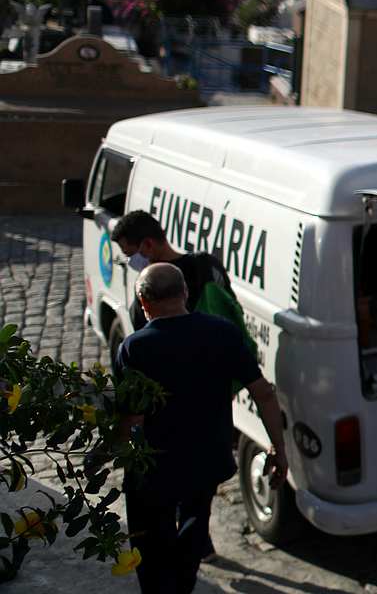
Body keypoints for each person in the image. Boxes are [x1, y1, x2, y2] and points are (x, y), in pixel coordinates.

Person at [113, 263, 287, 594]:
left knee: (151, 539)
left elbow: (131, 418)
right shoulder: (223, 332)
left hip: (154, 464)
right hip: (207, 455)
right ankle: (183, 583)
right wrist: (278, 448)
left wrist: (111, 451)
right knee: (195, 519)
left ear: (143, 301)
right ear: (185, 293)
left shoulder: (135, 347)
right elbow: (264, 392)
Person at [111, 210, 253, 350]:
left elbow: (143, 338)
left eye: (129, 254)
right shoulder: (207, 265)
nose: (129, 261)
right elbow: (231, 307)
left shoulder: (147, 285)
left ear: (148, 244)